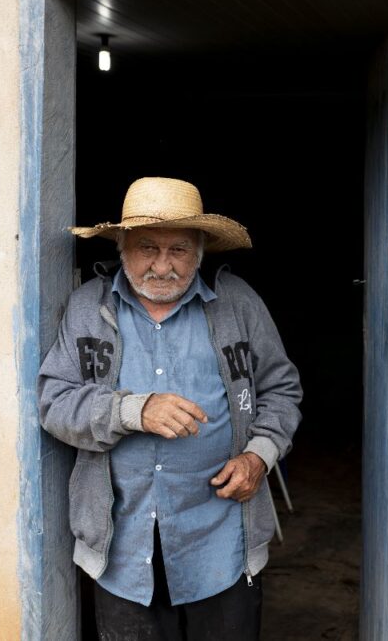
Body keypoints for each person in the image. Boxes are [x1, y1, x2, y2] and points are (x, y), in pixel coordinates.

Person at [38, 177, 302, 640]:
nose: (162, 266)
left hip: (221, 541)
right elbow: (54, 403)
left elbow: (281, 389)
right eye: (147, 248)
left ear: (199, 250)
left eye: (178, 249)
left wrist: (259, 456)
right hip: (121, 547)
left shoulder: (237, 303)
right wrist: (132, 411)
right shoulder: (87, 308)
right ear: (122, 247)